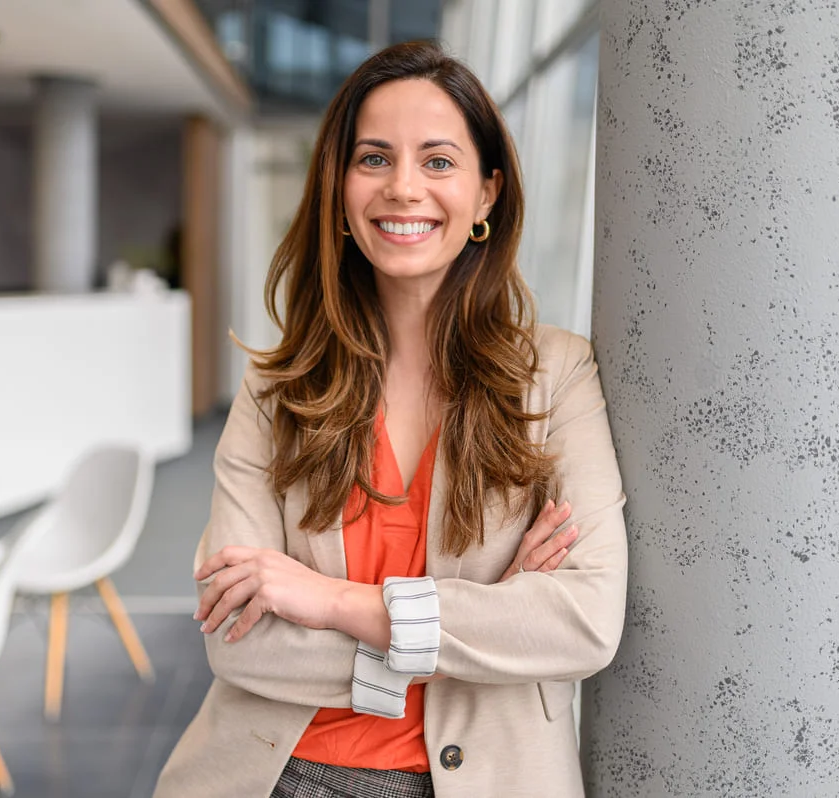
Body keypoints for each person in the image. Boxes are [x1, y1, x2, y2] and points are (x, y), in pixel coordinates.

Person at [155, 40, 627, 798]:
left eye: (437, 162)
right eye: (373, 159)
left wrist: (334, 602)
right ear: (339, 190)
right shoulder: (277, 391)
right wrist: (483, 619)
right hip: (275, 775)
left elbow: (580, 621)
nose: (402, 188)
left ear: (486, 195)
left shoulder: (556, 376)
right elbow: (237, 643)